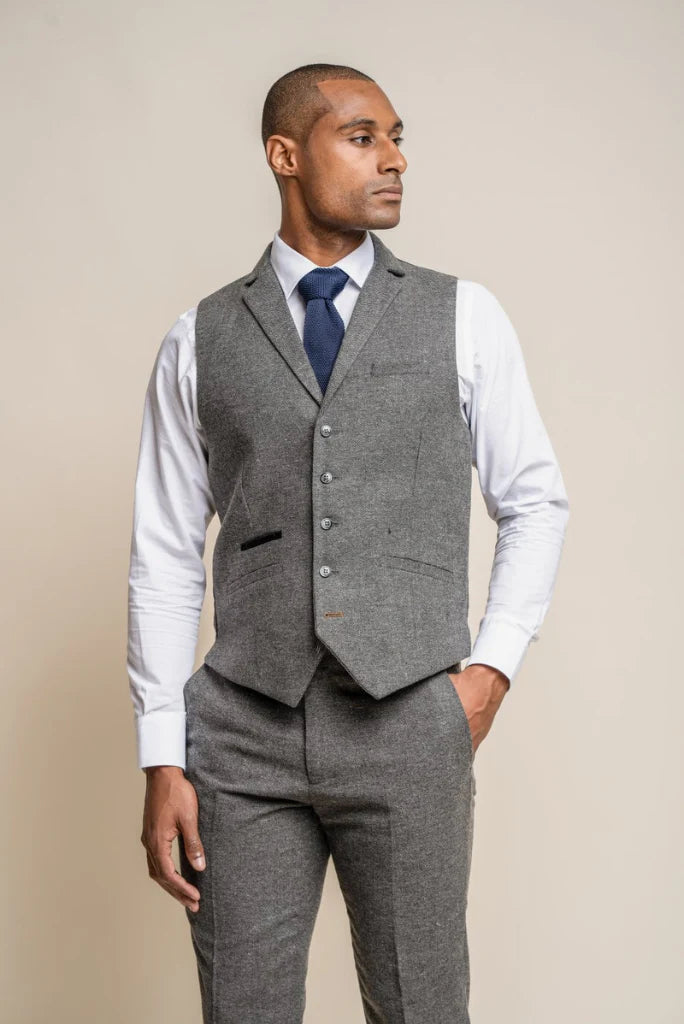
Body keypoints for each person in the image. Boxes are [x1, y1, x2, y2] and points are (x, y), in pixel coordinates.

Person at [127, 61, 569, 1024]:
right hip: (241, 732)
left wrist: (487, 676)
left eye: (397, 139)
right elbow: (164, 553)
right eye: (363, 138)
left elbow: (535, 502)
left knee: (421, 1007)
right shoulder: (199, 337)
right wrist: (163, 753)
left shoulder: (464, 315)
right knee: (242, 1009)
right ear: (285, 155)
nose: (395, 160)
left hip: (408, 719)